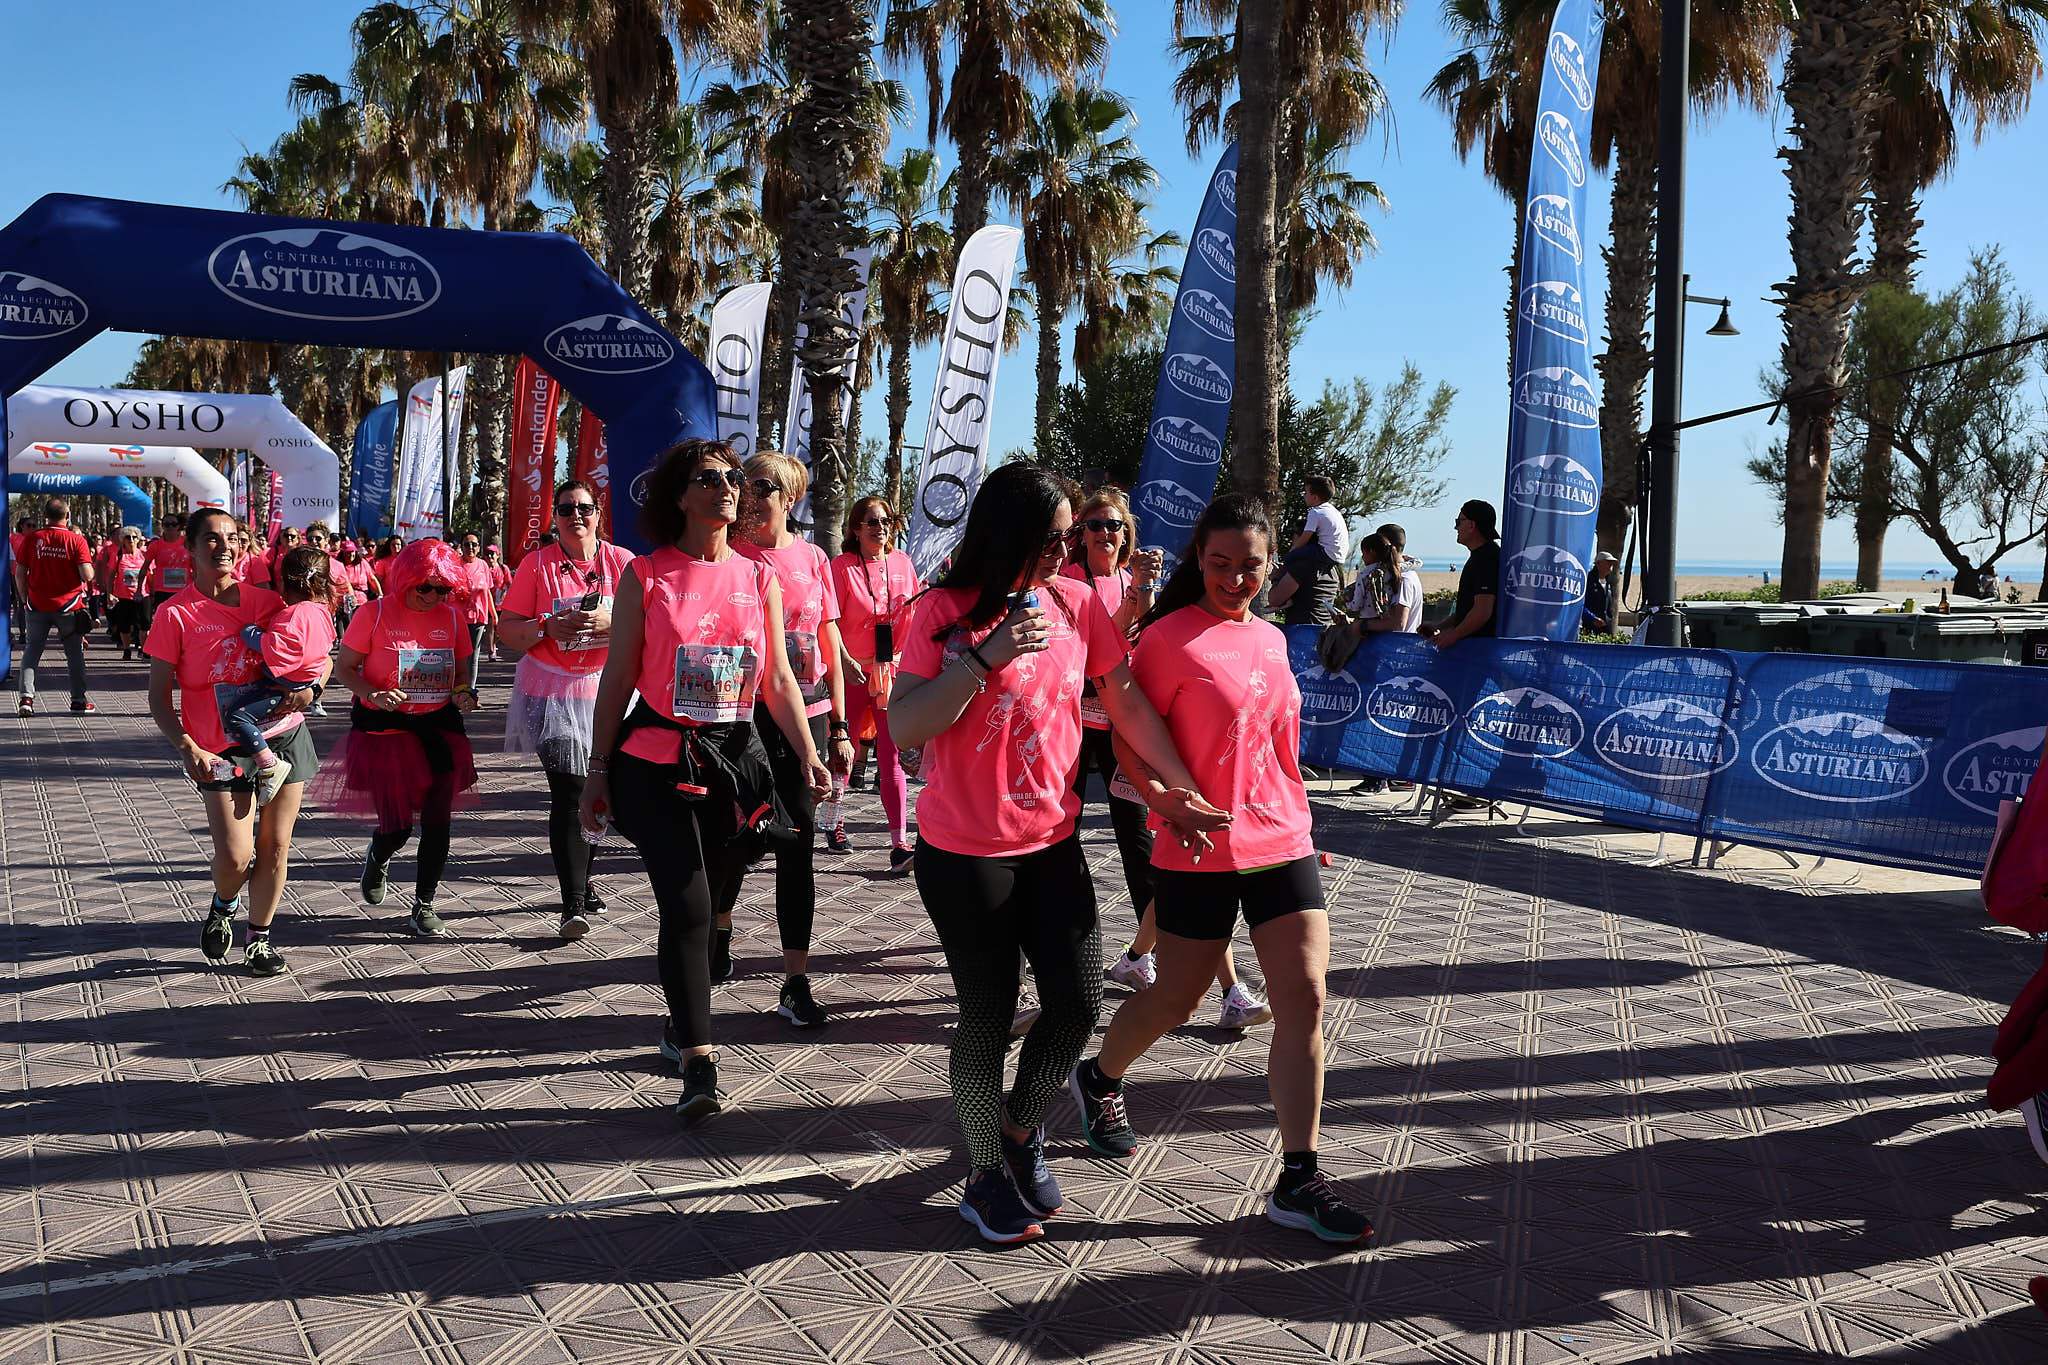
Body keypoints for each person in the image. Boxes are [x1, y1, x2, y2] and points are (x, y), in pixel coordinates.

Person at [887, 462, 1229, 1245]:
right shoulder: (943, 611)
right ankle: (983, 1174)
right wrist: (985, 656)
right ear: (1008, 532)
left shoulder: (1075, 601)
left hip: (1053, 843)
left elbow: (1126, 701)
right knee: (987, 1013)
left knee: (1076, 1003)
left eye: (1069, 538)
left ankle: (1017, 1128)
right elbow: (905, 725)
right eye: (1051, 538)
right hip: (964, 853)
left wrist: (1177, 786)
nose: (1063, 551)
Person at [1069, 493, 1372, 1246]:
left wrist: (1298, 818)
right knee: (1176, 999)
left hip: (1282, 838)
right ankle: (1099, 1077)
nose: (1236, 579)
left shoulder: (1272, 639)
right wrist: (1164, 801)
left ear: (1273, 565)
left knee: (1305, 997)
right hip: (1197, 845)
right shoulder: (1166, 638)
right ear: (1199, 559)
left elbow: (1275, 743)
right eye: (1220, 564)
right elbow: (1129, 739)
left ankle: (1299, 1177)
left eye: (1251, 566)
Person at [578, 438, 831, 1119]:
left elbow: (778, 678)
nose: (726, 487)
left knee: (716, 890)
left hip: (734, 762)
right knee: (688, 906)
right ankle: (699, 1062)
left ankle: (679, 1017)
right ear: (680, 496)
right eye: (708, 477)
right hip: (655, 759)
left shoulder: (760, 578)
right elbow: (618, 679)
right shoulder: (647, 575)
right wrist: (597, 771)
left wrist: (809, 752)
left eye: (732, 477)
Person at [1067, 490, 1271, 1031]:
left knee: (1152, 853)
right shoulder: (1071, 583)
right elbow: (1103, 647)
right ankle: (1183, 976)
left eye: (1114, 524)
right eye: (1094, 524)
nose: (1105, 533)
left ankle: (1148, 959)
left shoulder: (1139, 582)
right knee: (1071, 844)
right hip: (1083, 729)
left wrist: (1141, 588)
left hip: (1149, 734)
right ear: (1080, 533)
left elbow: (1149, 636)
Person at [144, 507, 326, 977]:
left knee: (276, 846)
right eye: (211, 538)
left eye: (232, 537)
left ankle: (259, 940)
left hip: (283, 738)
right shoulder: (174, 614)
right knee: (235, 855)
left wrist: (312, 690)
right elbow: (159, 698)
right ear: (189, 548)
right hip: (219, 750)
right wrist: (187, 746)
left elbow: (322, 656)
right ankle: (224, 903)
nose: (224, 546)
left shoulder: (269, 603)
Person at [716, 451, 857, 1021]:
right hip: (741, 718)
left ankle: (795, 981)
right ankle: (719, 926)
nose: (749, 495)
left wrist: (840, 727)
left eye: (763, 486)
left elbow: (831, 648)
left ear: (790, 496)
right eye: (744, 484)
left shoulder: (814, 558)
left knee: (798, 844)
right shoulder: (729, 555)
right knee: (735, 836)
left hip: (808, 715)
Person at [313, 539, 483, 940]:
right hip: (386, 731)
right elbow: (345, 668)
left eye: (443, 589)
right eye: (425, 587)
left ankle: (424, 904)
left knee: (438, 823)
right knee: (398, 828)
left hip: (438, 730)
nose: (433, 596)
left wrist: (463, 694)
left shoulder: (453, 618)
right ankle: (379, 853)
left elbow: (461, 676)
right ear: (406, 578)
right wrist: (373, 694)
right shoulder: (373, 614)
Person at [498, 479, 635, 941]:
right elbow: (507, 629)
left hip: (610, 690)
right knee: (572, 790)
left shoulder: (622, 562)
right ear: (554, 518)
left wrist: (613, 620)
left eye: (584, 508)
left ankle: (585, 876)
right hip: (550, 691)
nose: (576, 516)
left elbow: (653, 620)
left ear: (599, 515)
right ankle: (572, 902)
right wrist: (546, 626)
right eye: (565, 509)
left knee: (604, 787)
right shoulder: (537, 565)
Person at [828, 495, 920, 860]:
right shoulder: (843, 567)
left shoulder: (902, 562)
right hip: (852, 671)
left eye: (886, 521)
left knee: (890, 755)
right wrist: (844, 659)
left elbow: (917, 615)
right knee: (844, 750)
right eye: (872, 522)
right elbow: (829, 622)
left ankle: (899, 843)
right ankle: (834, 822)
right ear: (856, 529)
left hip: (890, 672)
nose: (880, 528)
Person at [213, 545, 338, 806]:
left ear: (283, 582)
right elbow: (325, 651)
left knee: (237, 716)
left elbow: (278, 649)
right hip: (300, 686)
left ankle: (268, 764)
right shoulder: (322, 612)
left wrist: (252, 634)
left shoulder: (290, 614)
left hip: (284, 697)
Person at [14, 497, 97, 716]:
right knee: (74, 654)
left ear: (45, 516)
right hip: (68, 606)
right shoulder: (76, 540)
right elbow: (87, 575)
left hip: (37, 605)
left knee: (32, 651)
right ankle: (78, 701)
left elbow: (20, 573)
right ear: (67, 516)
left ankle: (26, 699)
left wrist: (25, 599)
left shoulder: (33, 538)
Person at [1422, 499, 1501, 651]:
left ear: (1471, 525)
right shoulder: (1481, 555)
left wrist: (1453, 636)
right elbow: (1467, 609)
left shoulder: (1486, 558)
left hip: (1480, 651)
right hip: (1475, 649)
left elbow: (1482, 611)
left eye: (1459, 521)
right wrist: (1439, 626)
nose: (1456, 527)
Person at [453, 533, 499, 660]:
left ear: (478, 547)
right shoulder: (454, 565)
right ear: (462, 547)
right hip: (458, 617)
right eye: (467, 544)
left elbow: (487, 591)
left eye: (474, 544)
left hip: (478, 617)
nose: (470, 548)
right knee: (458, 654)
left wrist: (494, 614)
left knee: (473, 655)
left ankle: (471, 675)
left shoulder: (483, 565)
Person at [106, 526, 150, 660]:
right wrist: (109, 593)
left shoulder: (144, 554)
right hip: (124, 596)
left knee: (145, 623)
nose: (131, 539)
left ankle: (144, 649)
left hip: (143, 594)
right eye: (127, 537)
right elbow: (110, 576)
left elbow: (151, 575)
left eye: (134, 537)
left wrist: (153, 592)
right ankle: (127, 650)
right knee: (124, 625)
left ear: (138, 539)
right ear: (123, 540)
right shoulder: (118, 555)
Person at [141, 513, 192, 614]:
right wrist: (139, 589)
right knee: (164, 619)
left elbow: (196, 567)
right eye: (167, 524)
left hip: (184, 589)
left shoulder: (187, 543)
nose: (170, 527)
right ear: (163, 526)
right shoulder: (155, 545)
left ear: (179, 526)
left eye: (173, 524)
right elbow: (144, 568)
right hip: (162, 591)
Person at [1582, 550, 1618, 634]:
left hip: (1605, 628)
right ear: (1598, 564)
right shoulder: (1588, 580)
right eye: (1608, 562)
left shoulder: (1608, 582)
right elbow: (1581, 604)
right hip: (1591, 628)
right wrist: (1592, 618)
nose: (1611, 565)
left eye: (1612, 563)